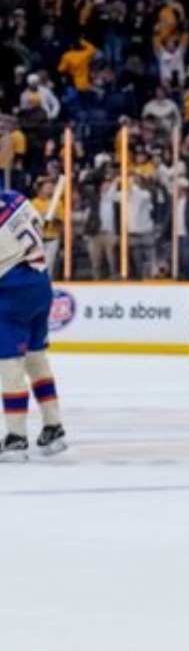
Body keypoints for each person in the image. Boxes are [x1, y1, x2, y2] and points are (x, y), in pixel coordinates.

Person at [0, 188, 67, 462]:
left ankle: (16, 437)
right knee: (36, 357)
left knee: (10, 364)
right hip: (40, 283)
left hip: (11, 292)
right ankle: (54, 425)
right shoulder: (17, 198)